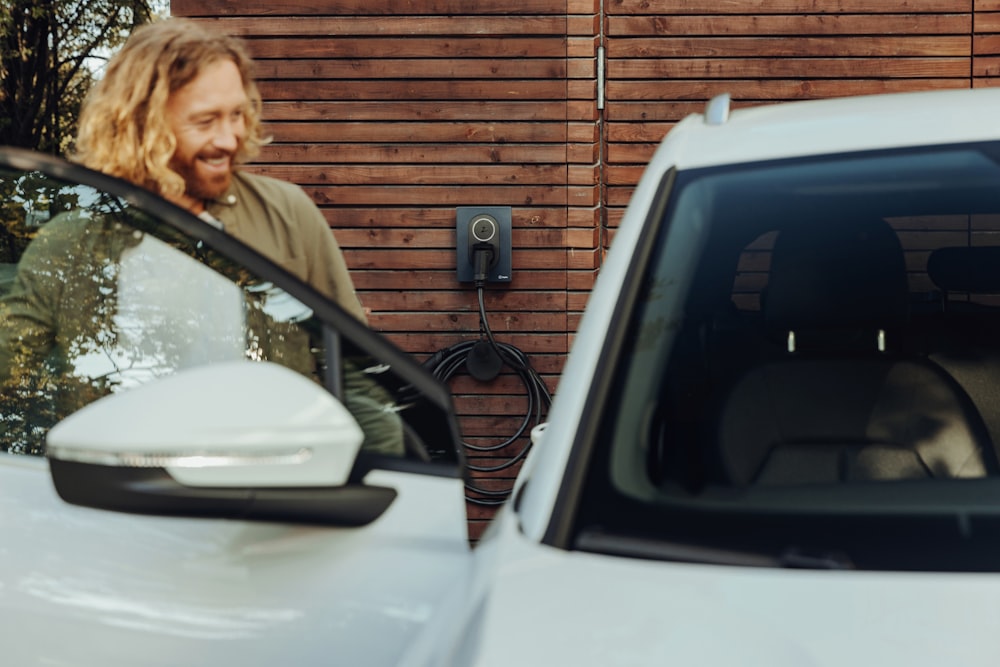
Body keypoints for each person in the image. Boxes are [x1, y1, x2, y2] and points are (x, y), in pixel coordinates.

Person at [0, 18, 404, 456]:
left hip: (274, 491)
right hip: (117, 497)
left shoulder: (288, 215)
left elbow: (358, 379)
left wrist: (388, 485)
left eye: (236, 114)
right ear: (140, 125)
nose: (230, 137)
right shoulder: (69, 244)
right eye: (206, 120)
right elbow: (11, 383)